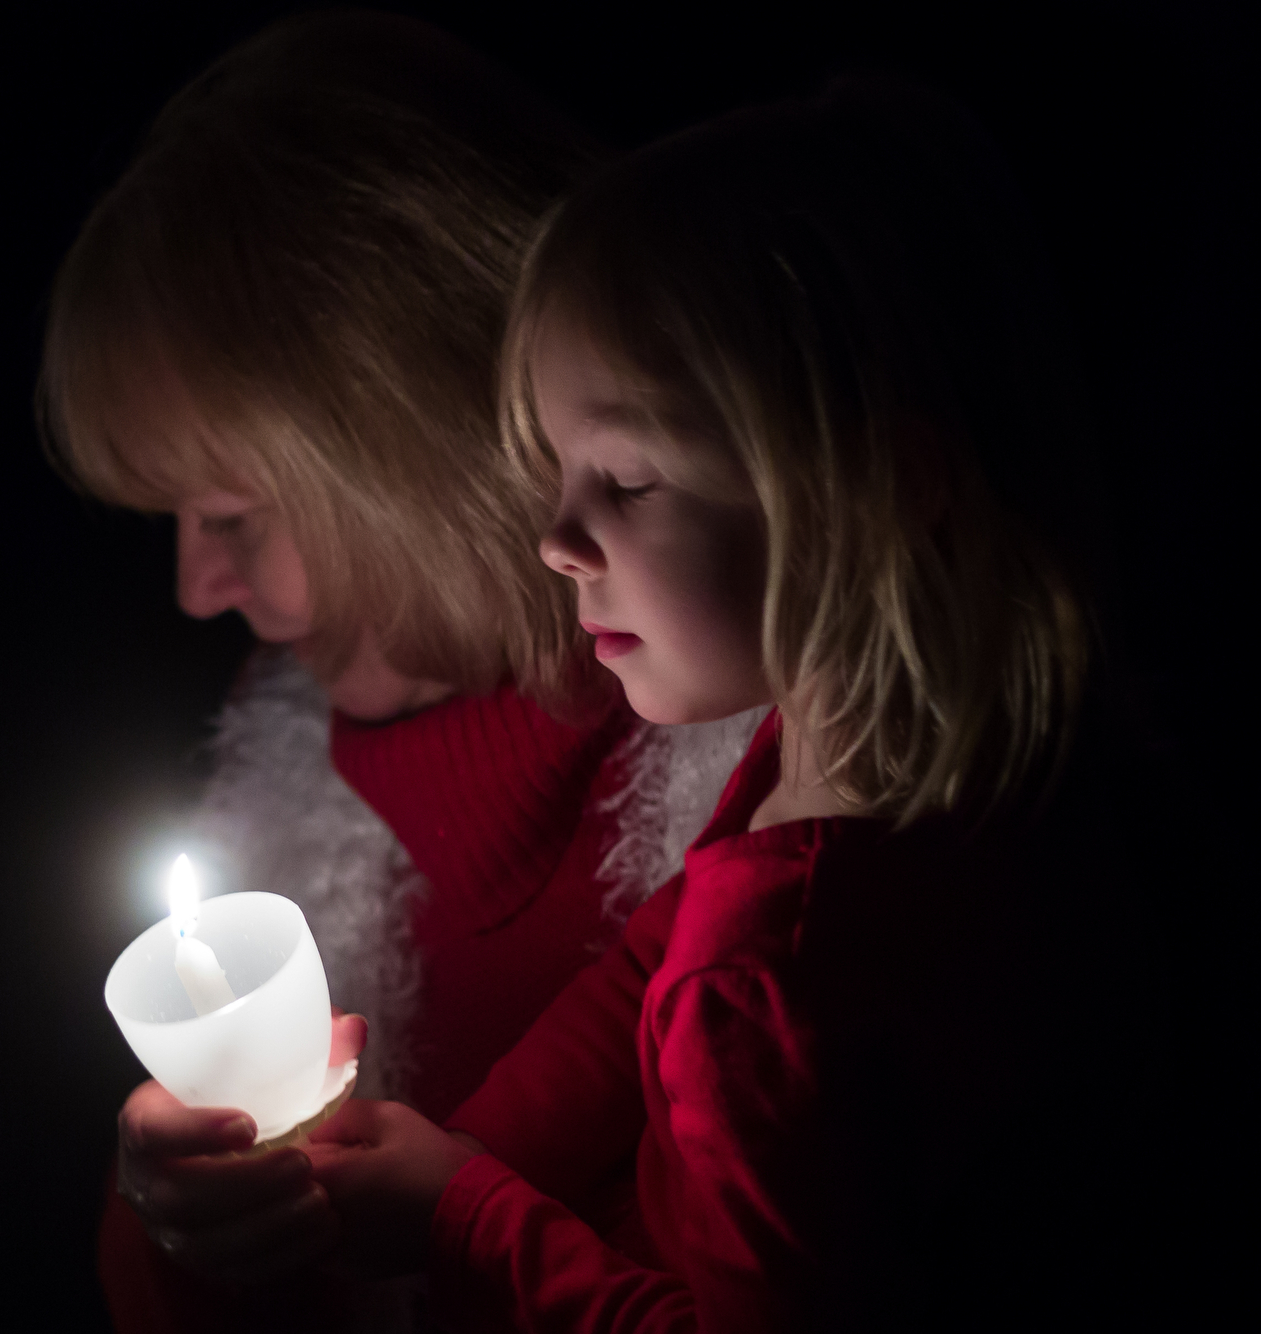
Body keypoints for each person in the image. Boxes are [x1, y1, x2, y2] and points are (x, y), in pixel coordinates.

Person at [301, 80, 1148, 1328]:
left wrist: (463, 1216)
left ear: (873, 488)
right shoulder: (942, 742)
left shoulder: (766, 981)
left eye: (627, 478)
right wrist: (470, 1146)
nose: (554, 538)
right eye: (554, 468)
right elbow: (666, 932)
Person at [37, 14, 759, 1331]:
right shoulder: (279, 836)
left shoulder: (806, 817)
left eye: (234, 515)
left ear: (423, 456)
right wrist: (194, 1229)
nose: (197, 589)